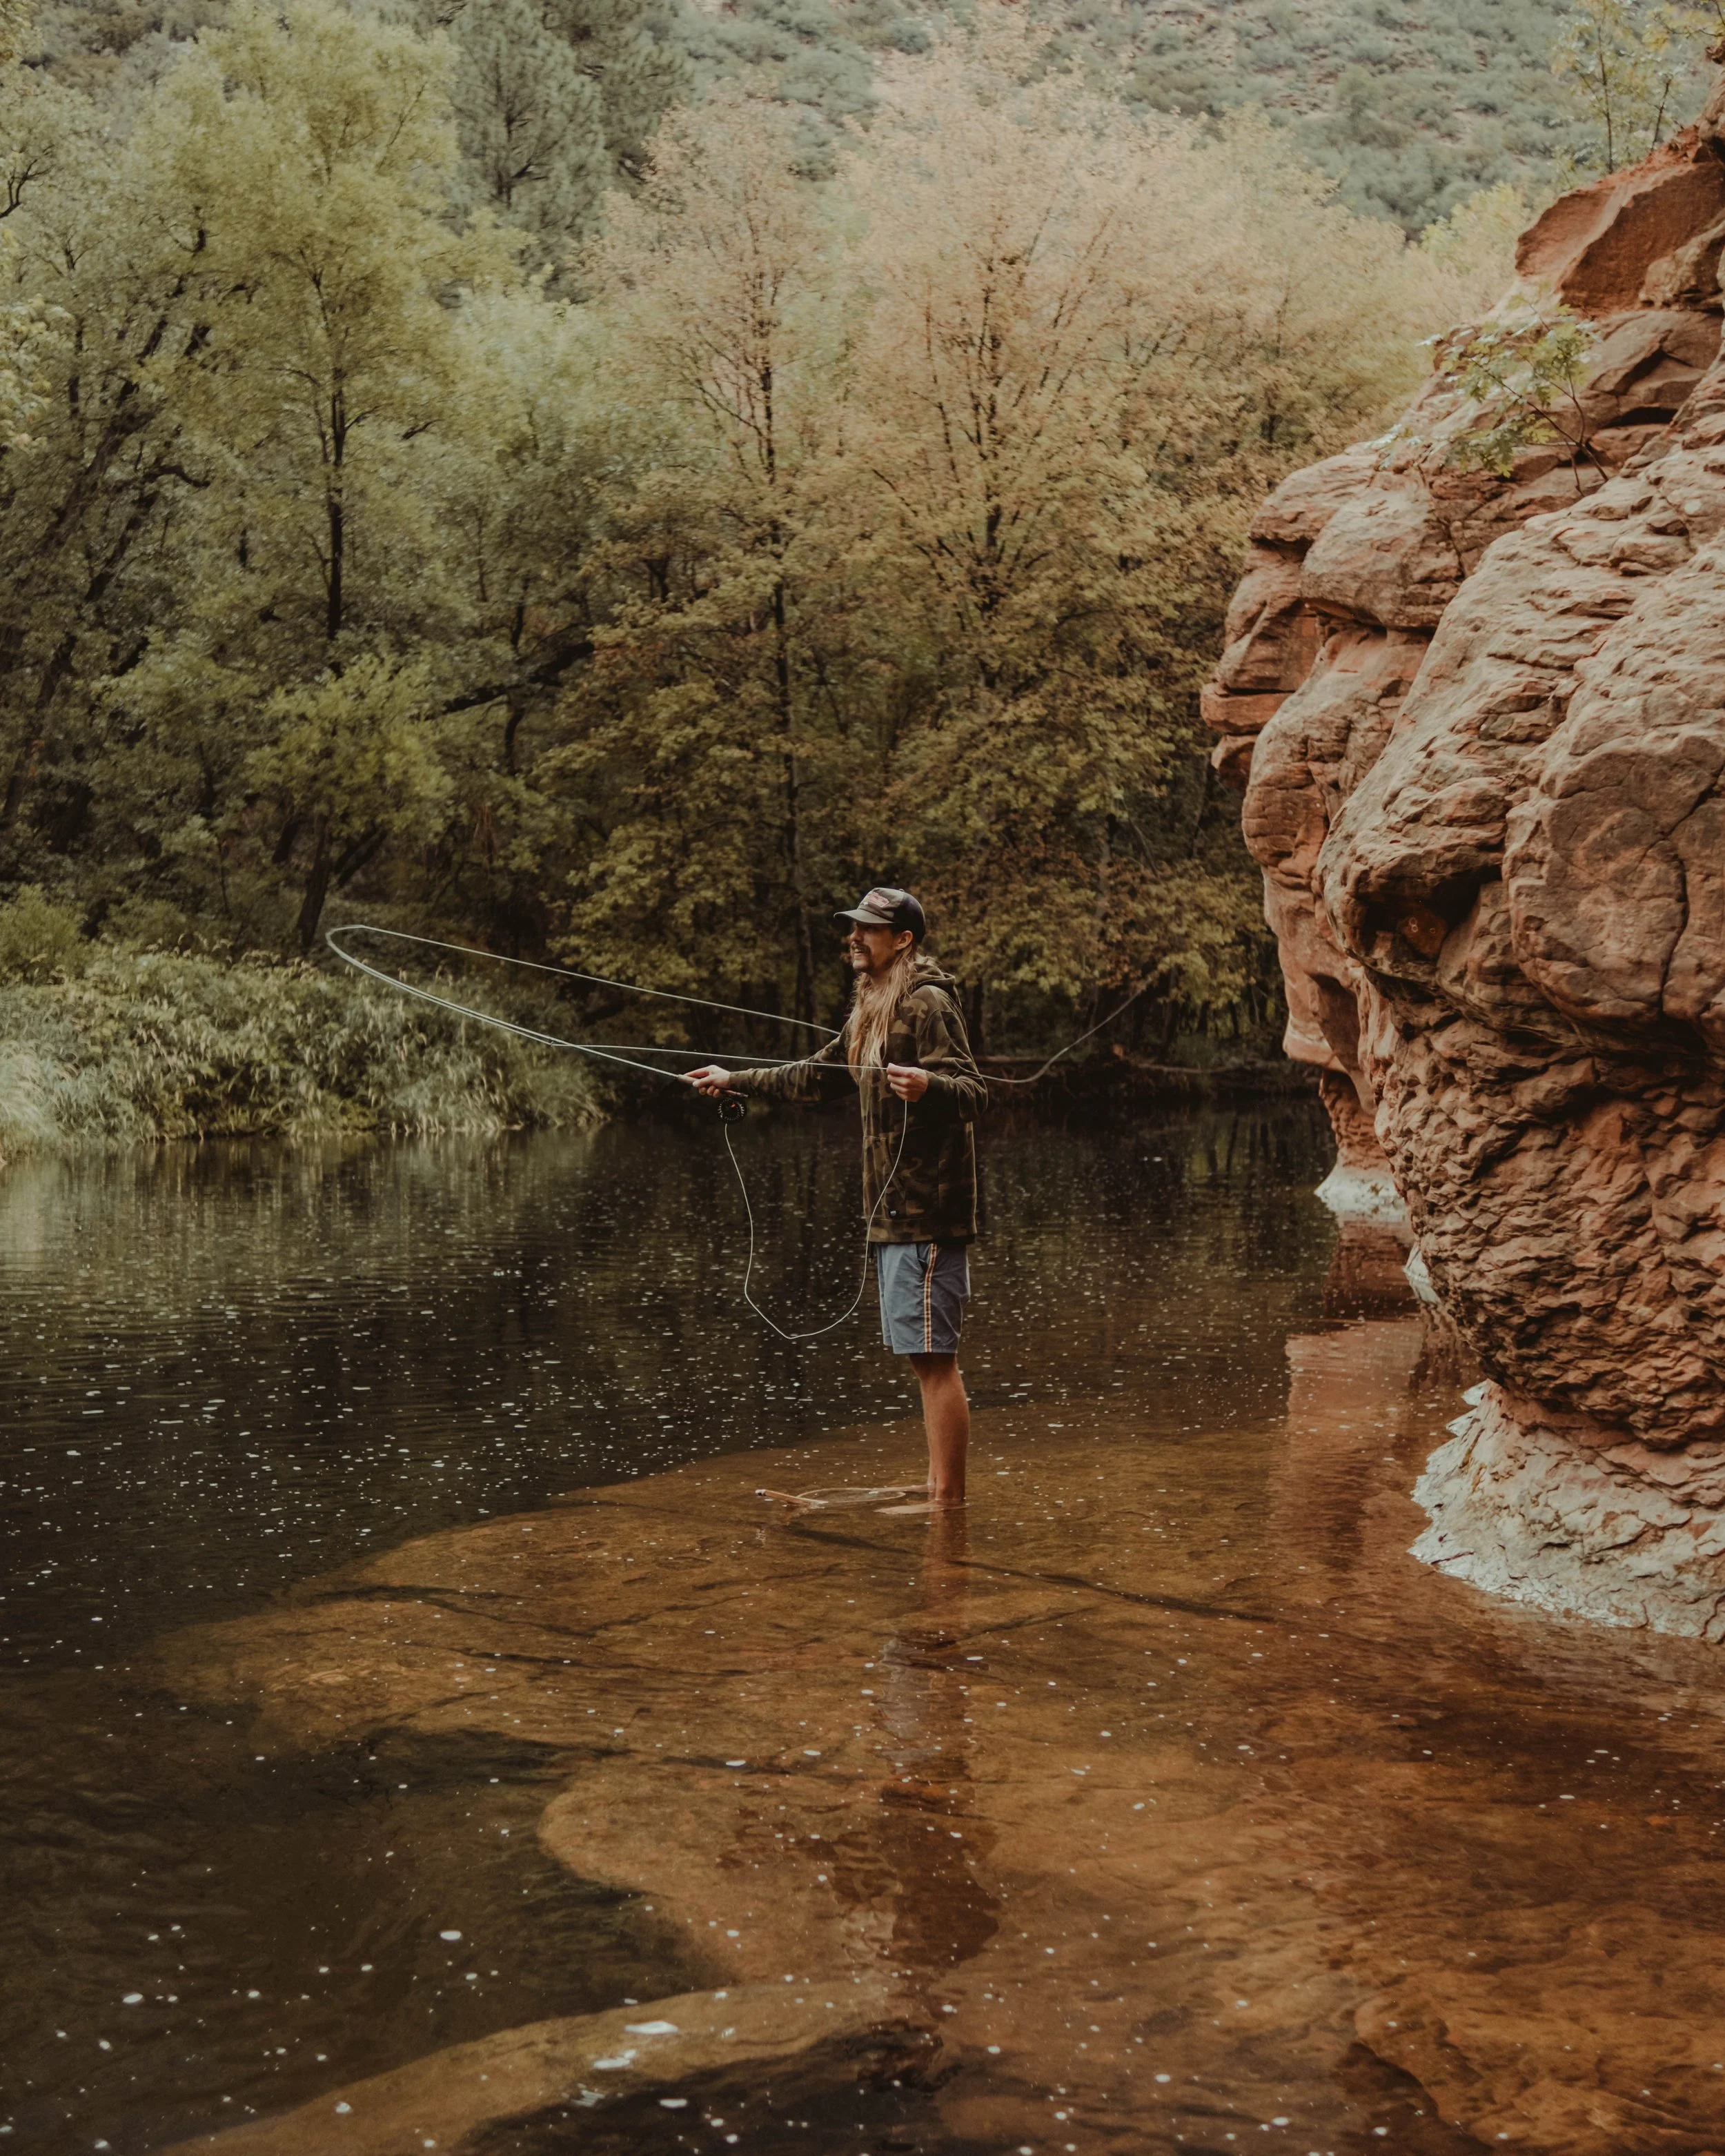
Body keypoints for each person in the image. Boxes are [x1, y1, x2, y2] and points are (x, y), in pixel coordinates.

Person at [688, 887, 987, 1510]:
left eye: (868, 929)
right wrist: (732, 1079)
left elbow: (976, 1091)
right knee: (921, 1356)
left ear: (902, 939)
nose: (854, 938)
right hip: (893, 1214)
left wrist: (930, 1085)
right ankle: (938, 1486)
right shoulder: (870, 1009)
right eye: (853, 928)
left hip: (928, 1213)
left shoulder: (929, 1002)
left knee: (935, 1359)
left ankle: (948, 1500)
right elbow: (812, 1076)